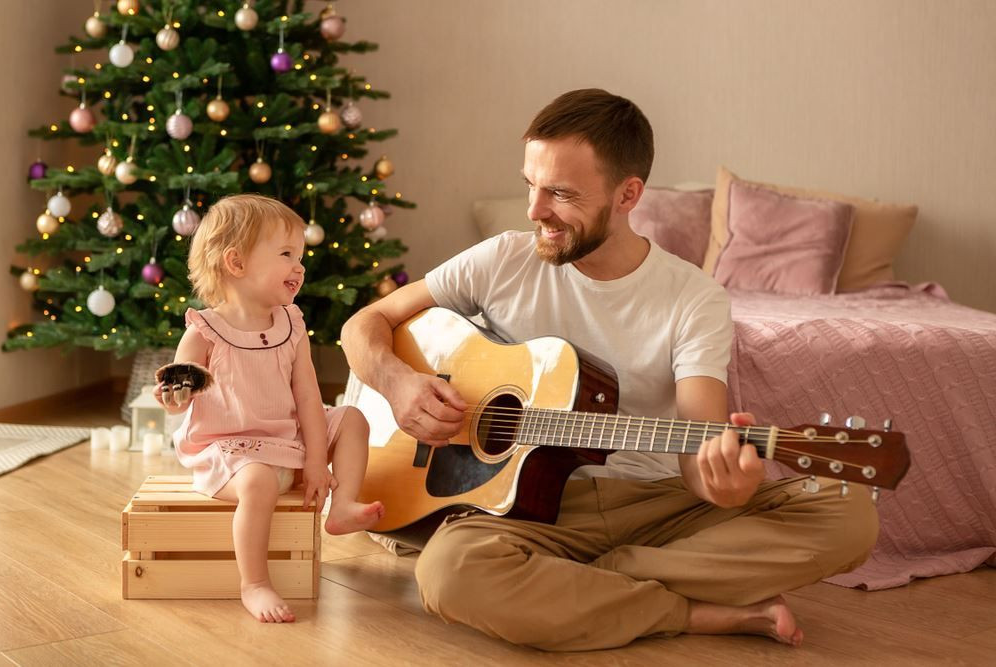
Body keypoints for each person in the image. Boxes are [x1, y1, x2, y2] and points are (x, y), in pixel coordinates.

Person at [340, 89, 878, 650]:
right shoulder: (502, 259)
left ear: (628, 194)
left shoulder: (694, 299)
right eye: (531, 184)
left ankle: (591, 583)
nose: (534, 210)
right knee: (449, 572)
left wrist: (725, 484)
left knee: (849, 515)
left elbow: (698, 459)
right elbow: (366, 324)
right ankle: (695, 611)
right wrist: (398, 383)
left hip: (654, 506)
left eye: (561, 193)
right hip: (523, 508)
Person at [156, 194, 384, 623]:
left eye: (300, 256)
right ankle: (255, 583)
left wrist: (317, 462)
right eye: (286, 254)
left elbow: (309, 401)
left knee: (351, 417)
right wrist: (176, 394)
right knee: (259, 482)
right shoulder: (205, 331)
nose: (299, 267)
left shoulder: (291, 324)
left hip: (288, 438)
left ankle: (344, 506)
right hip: (230, 452)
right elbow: (178, 392)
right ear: (236, 263)